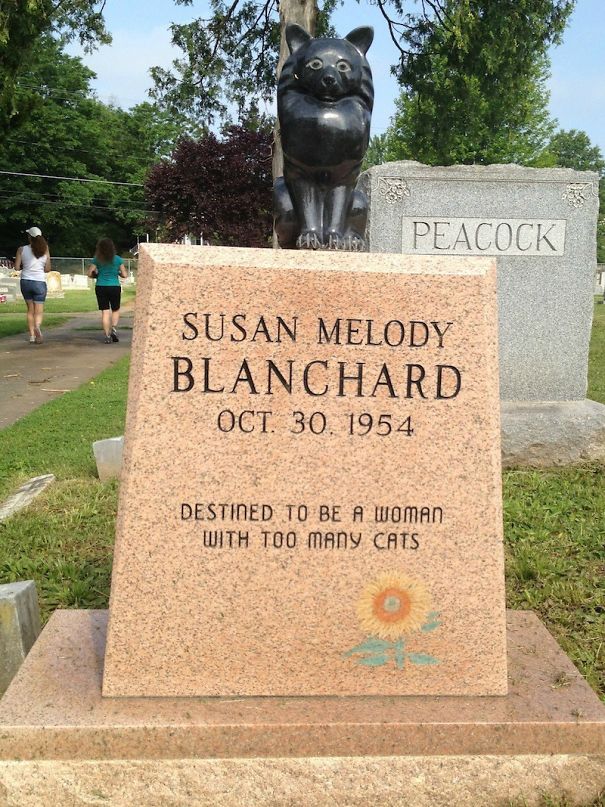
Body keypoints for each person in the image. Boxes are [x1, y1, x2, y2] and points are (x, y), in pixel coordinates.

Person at [14, 226, 51, 344]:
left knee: (30, 310)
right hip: (39, 282)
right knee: (38, 310)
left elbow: (16, 267)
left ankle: (31, 336)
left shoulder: (21, 249)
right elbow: (48, 269)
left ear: (29, 237)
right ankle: (37, 327)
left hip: (26, 281)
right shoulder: (45, 249)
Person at [87, 238, 127, 343]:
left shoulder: (97, 259)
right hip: (114, 286)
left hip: (101, 286)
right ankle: (113, 329)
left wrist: (97, 275)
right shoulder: (118, 259)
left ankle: (107, 336)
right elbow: (125, 275)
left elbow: (90, 273)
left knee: (105, 311)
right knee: (115, 309)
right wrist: (117, 273)